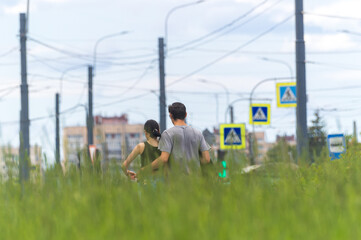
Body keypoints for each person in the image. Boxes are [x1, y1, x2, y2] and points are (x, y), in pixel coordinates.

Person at [140, 102, 211, 175]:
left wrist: (145, 169)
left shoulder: (168, 134)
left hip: (176, 181)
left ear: (170, 115)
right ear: (185, 114)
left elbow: (163, 159)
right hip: (196, 180)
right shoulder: (198, 133)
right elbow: (207, 159)